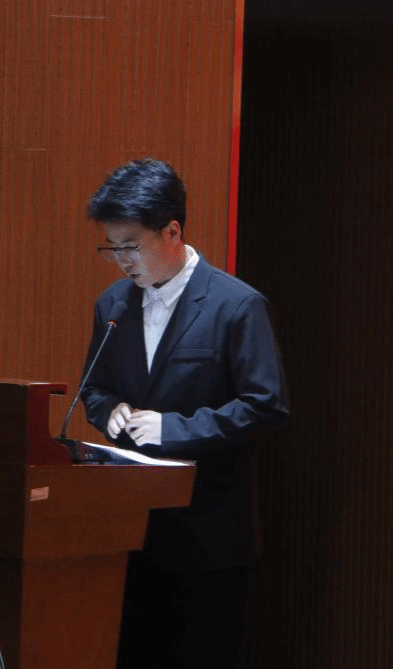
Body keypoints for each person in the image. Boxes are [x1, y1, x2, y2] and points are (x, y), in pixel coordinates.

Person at [78, 159, 289, 669]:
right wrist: (108, 411)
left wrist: (173, 428)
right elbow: (95, 388)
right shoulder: (113, 305)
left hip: (209, 542)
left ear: (172, 232)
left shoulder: (236, 306)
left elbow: (266, 405)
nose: (121, 261)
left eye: (131, 246)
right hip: (129, 537)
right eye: (112, 248)